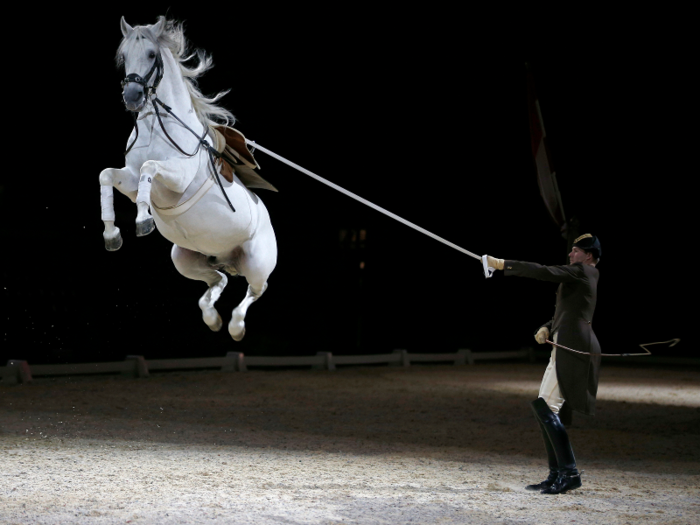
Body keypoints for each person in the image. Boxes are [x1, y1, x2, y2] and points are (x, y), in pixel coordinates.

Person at [486, 233, 602, 495]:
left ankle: (569, 473)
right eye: (571, 250)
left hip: (575, 346)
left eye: (576, 250)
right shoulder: (580, 274)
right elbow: (568, 311)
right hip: (562, 342)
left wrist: (503, 264)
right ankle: (555, 474)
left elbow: (543, 272)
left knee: (547, 407)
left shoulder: (585, 271)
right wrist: (547, 326)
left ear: (589, 255)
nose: (571, 254)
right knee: (544, 407)